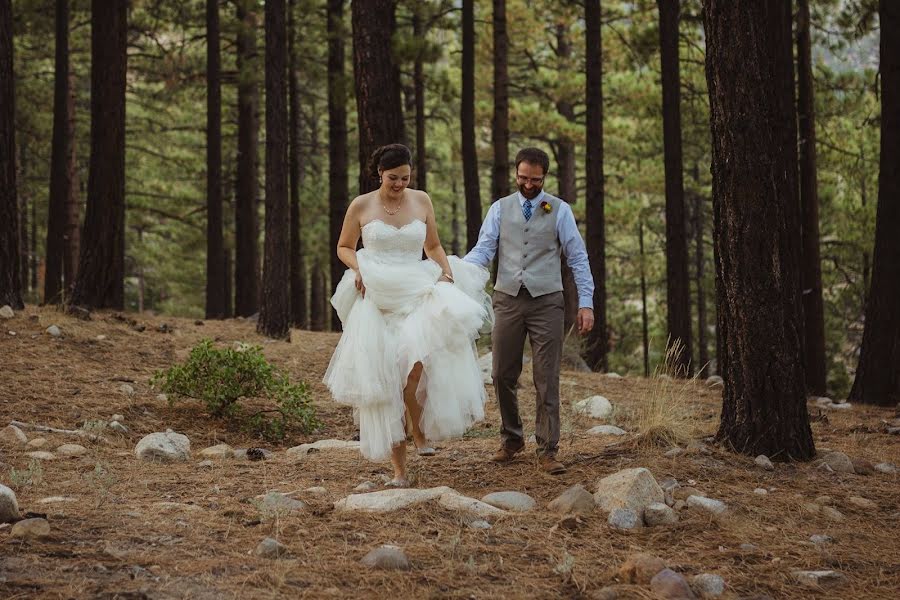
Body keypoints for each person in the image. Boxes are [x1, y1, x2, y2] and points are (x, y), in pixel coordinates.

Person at [324, 143, 492, 486]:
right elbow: (343, 246)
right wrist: (358, 268)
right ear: (379, 174)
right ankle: (400, 471)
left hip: (417, 288)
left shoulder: (422, 201)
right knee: (388, 379)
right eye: (392, 178)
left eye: (405, 177)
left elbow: (432, 245)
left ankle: (419, 429)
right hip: (377, 293)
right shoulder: (361, 205)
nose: (399, 184)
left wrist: (445, 271)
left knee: (415, 367)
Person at [464, 147, 594, 475]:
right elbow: (484, 250)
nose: (528, 185)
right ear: (516, 174)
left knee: (546, 377)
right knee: (501, 373)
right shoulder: (499, 208)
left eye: (534, 180)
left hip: (547, 301)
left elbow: (578, 258)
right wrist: (457, 271)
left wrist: (586, 303)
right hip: (507, 298)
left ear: (544, 177)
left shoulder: (559, 210)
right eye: (523, 178)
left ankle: (548, 448)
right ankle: (511, 438)